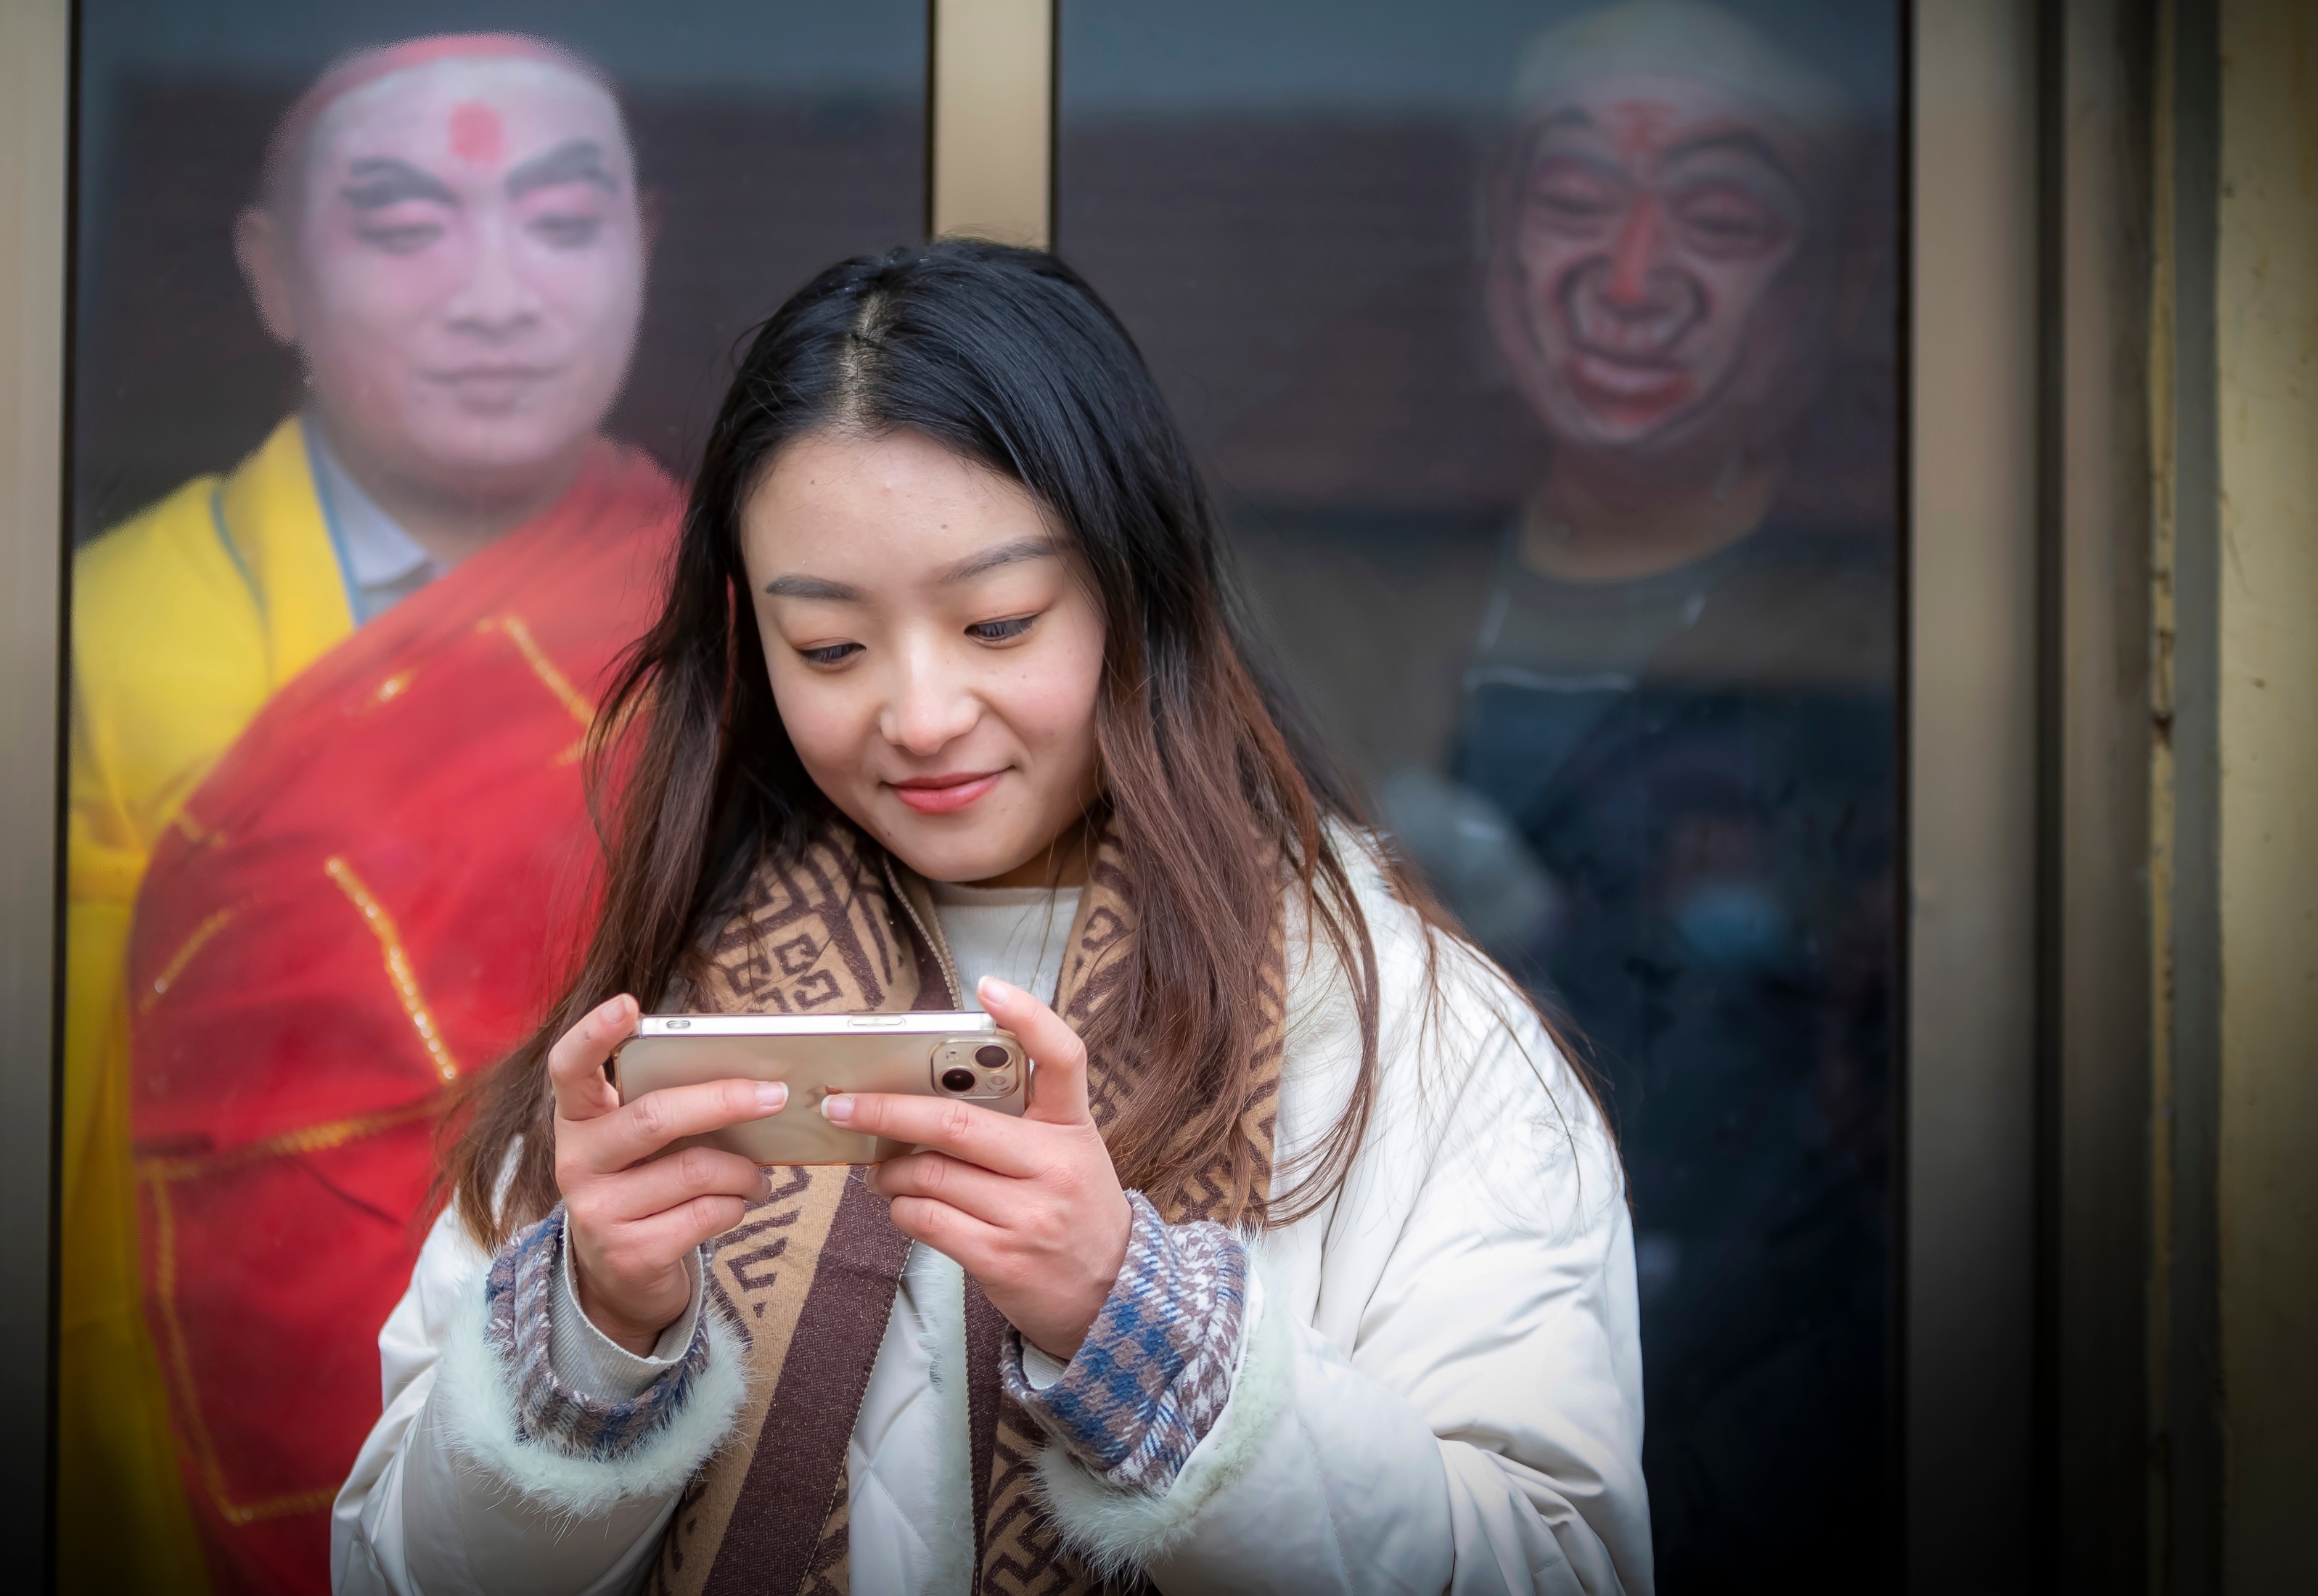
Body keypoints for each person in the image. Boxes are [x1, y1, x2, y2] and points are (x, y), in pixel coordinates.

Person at [332, 241, 1650, 1595]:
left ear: (1135, 590)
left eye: (1000, 623)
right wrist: (594, 1333)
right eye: (830, 648)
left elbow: (1563, 1562)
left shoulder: (1390, 1017)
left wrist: (1130, 1322)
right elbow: (386, 1571)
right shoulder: (665, 1029)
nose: (918, 717)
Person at [60, 34, 684, 1594]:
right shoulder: (99, 643)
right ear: (274, 275)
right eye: (406, 226)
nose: (496, 297)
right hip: (182, 1436)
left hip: (637, 1398)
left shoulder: (744, 628)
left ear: (642, 246)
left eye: (562, 221)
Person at [1350, 0, 1892, 1589]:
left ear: (1835, 288)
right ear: (1490, 255)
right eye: (1576, 202)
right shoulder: (1355, 605)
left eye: (1719, 218)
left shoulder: (1888, 643)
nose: (1634, 276)